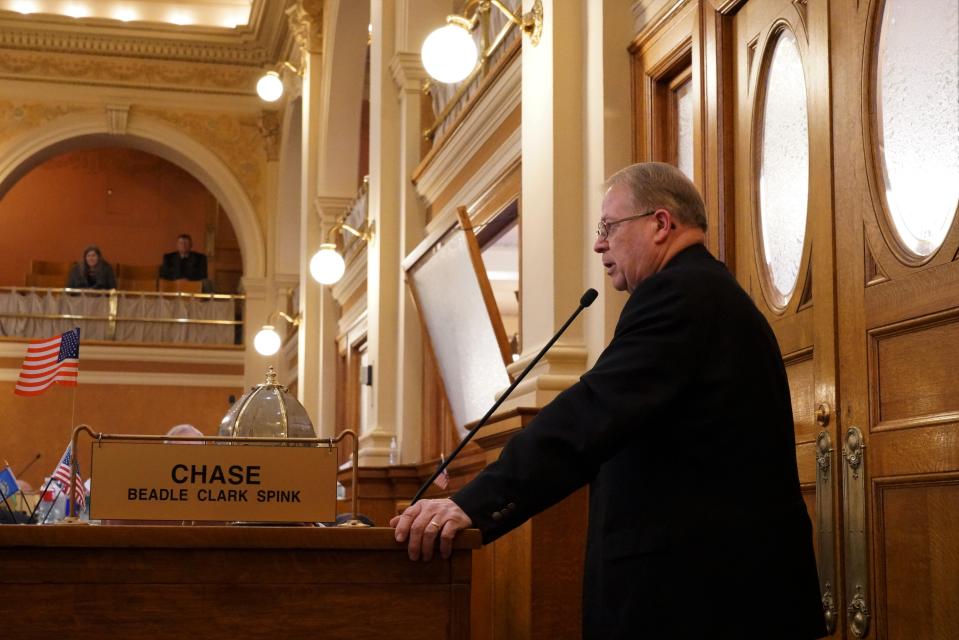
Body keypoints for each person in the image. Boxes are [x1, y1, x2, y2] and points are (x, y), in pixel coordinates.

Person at [391, 163, 826, 639]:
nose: (600, 243)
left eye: (608, 227)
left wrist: (471, 504)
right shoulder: (704, 294)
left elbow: (589, 414)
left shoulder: (682, 296)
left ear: (661, 224)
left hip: (705, 603)